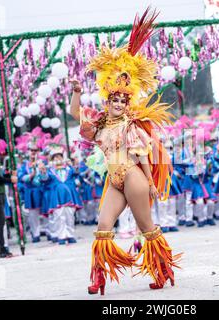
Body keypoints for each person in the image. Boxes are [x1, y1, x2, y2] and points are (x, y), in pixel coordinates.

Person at [69, 8, 181, 295]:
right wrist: (78, 92)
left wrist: (152, 183)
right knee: (103, 228)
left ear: (127, 102)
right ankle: (99, 278)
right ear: (107, 101)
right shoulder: (98, 126)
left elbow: (143, 154)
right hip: (114, 181)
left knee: (147, 227)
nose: (118, 102)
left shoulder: (132, 125)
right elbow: (74, 113)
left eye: (122, 99)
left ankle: (162, 269)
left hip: (133, 177)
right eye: (114, 98)